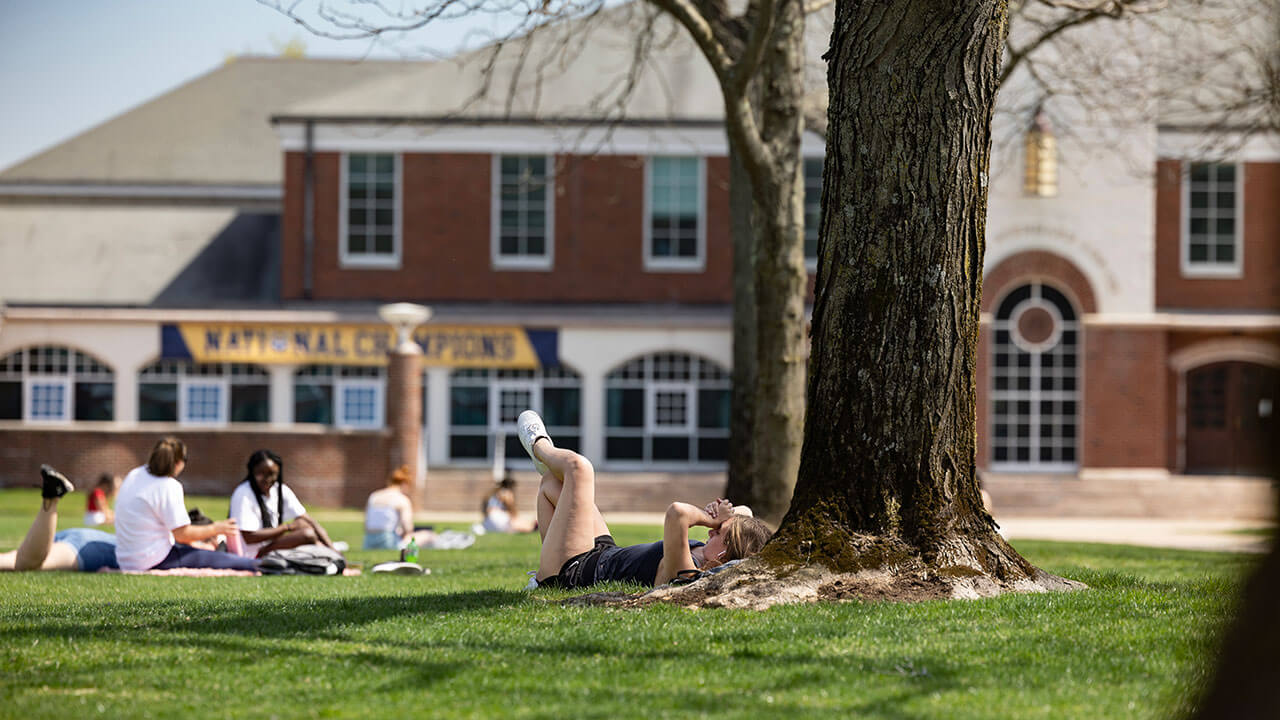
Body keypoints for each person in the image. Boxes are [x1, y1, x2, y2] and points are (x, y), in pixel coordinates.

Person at [516, 410, 773, 589]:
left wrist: (709, 519)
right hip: (603, 554)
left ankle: (540, 446)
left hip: (575, 572)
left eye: (717, 534)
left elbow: (678, 513)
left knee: (578, 468)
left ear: (728, 552)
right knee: (551, 482)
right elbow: (746, 512)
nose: (710, 533)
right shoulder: (713, 554)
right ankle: (543, 573)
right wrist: (728, 520)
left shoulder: (687, 570)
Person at [114, 437, 259, 572]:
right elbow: (182, 534)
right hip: (151, 561)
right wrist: (217, 528)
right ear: (178, 463)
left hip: (125, 559)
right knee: (218, 559)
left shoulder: (134, 474)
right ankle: (261, 565)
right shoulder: (168, 486)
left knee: (197, 550)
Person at [0, 465, 118, 572]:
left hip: (80, 534)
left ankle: (51, 497)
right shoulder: (98, 492)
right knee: (28, 564)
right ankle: (51, 497)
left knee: (19, 558)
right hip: (93, 546)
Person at [229, 449, 337, 558]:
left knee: (306, 526)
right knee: (307, 535)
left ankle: (331, 556)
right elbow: (249, 537)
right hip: (250, 555)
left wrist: (332, 549)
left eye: (272, 474)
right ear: (252, 472)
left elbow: (309, 520)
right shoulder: (243, 493)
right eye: (261, 474)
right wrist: (287, 527)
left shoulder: (280, 490)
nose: (268, 479)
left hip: (269, 547)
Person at [363, 465, 415, 550]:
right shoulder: (402, 499)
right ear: (405, 484)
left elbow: (366, 524)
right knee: (428, 536)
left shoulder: (374, 496)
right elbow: (408, 527)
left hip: (368, 540)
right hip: (388, 540)